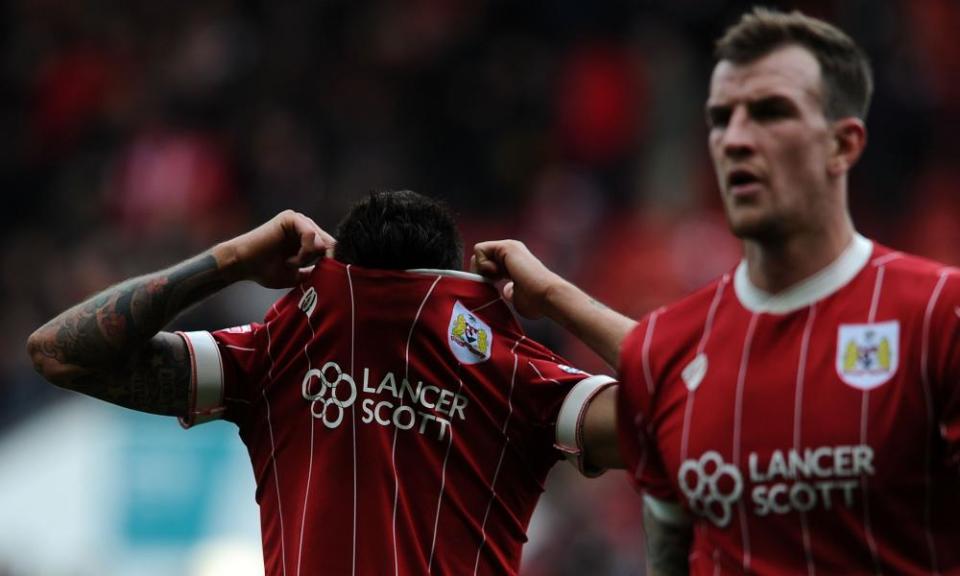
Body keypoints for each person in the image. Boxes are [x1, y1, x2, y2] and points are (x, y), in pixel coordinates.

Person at [472, 8, 960, 576]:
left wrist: (558, 297)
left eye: (770, 113)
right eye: (722, 118)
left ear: (843, 144)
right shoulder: (678, 346)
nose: (736, 139)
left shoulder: (936, 315)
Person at [27, 190, 617, 575]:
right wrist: (557, 298)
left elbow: (62, 354)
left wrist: (234, 260)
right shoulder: (518, 378)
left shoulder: (277, 354)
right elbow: (689, 408)